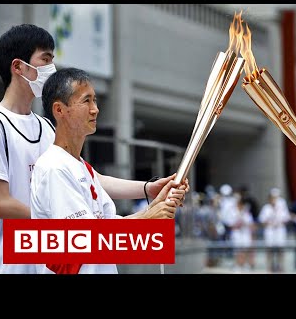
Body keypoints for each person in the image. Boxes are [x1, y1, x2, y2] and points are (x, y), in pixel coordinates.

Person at [0, 24, 188, 274]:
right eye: (45, 59)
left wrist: (147, 189)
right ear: (18, 66)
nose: (51, 68)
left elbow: (85, 180)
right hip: (11, 263)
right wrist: (58, 217)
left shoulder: (45, 126)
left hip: (50, 258)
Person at [30, 67, 186, 274]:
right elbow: (85, 238)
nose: (95, 109)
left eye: (95, 100)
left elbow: (109, 226)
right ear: (59, 110)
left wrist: (155, 207)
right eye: (86, 101)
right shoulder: (54, 167)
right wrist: (148, 217)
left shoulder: (81, 167)